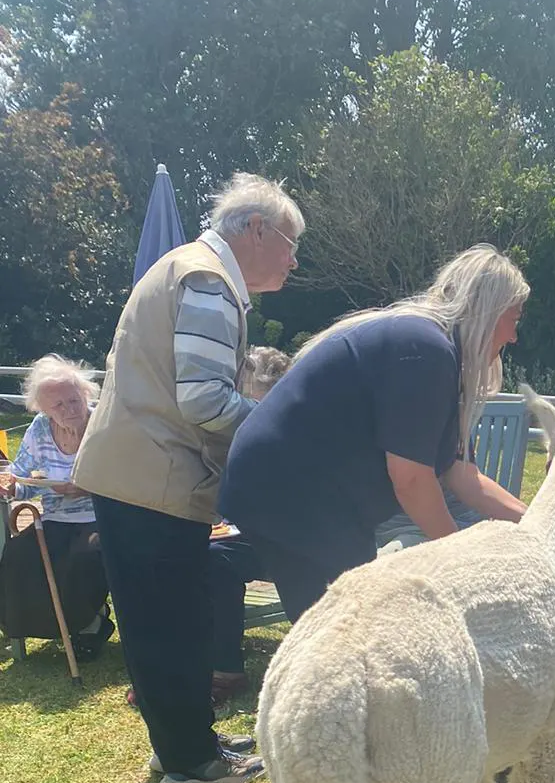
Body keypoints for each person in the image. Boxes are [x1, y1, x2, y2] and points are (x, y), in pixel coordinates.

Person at [73, 173, 302, 783]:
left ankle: (181, 744)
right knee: (171, 623)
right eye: (290, 242)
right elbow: (204, 398)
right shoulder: (209, 279)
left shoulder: (186, 268)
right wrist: (278, 425)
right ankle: (191, 764)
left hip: (136, 475)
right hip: (157, 479)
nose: (293, 258)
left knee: (156, 621)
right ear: (256, 229)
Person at [219, 245, 530, 621]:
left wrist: (535, 524)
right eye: (514, 319)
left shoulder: (433, 349)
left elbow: (462, 475)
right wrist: (461, 561)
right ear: (488, 312)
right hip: (292, 492)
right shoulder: (426, 351)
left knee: (353, 626)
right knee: (349, 630)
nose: (514, 337)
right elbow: (412, 481)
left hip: (306, 495)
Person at [0, 356, 111, 659]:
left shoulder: (105, 423)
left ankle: (91, 625)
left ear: (86, 394)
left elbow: (130, 475)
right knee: (19, 554)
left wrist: (90, 487)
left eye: (73, 400)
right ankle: (44, 629)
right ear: (44, 410)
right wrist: (11, 486)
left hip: (103, 517)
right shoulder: (39, 429)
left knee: (84, 557)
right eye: (58, 406)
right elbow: (23, 476)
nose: (69, 409)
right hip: (56, 518)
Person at [206, 347, 294, 703]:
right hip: (248, 532)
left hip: (301, 537)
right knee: (208, 555)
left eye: (255, 403)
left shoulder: (300, 426)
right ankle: (219, 666)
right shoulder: (227, 427)